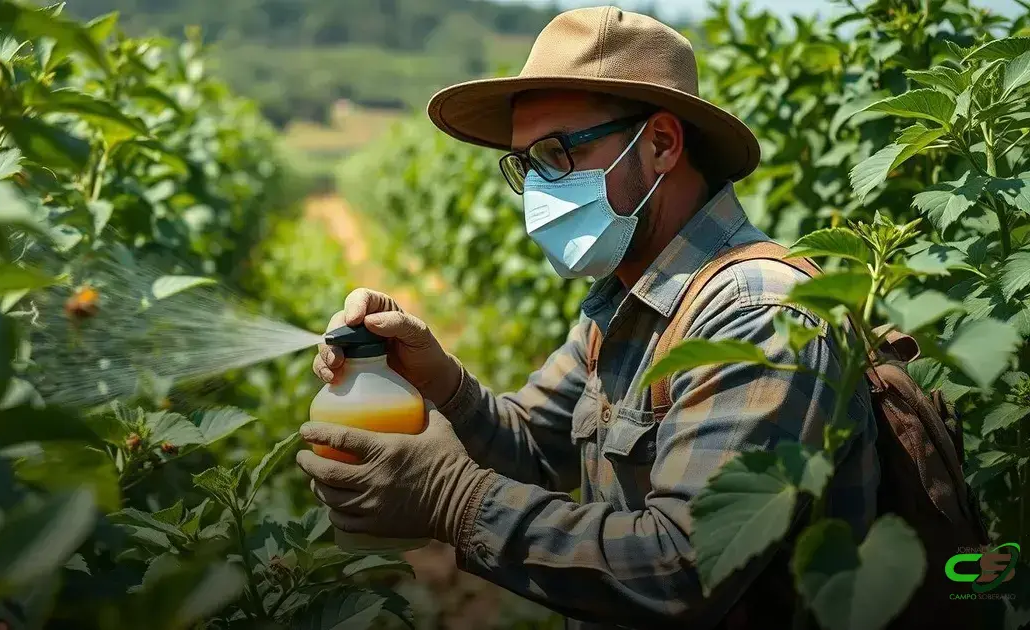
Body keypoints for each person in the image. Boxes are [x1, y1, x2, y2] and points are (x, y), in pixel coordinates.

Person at [297, 6, 879, 629]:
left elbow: (686, 563)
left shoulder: (756, 313)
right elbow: (533, 450)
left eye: (557, 153)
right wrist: (437, 378)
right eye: (527, 164)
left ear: (659, 144)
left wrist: (454, 500)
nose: (540, 188)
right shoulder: (624, 305)